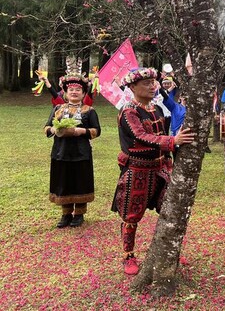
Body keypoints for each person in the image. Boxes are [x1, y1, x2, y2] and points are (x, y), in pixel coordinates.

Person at [112, 67, 195, 275]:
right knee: (131, 215)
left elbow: (162, 132)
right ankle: (128, 255)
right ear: (132, 87)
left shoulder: (156, 108)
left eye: (153, 83)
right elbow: (140, 136)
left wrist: (170, 154)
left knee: (170, 210)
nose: (152, 86)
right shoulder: (129, 111)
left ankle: (168, 250)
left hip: (161, 169)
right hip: (138, 171)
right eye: (146, 83)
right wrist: (172, 141)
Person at [44, 67, 101, 228]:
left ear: (83, 93)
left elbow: (97, 131)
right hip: (60, 152)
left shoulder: (89, 111)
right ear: (65, 92)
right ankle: (66, 213)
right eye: (71, 89)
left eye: (78, 90)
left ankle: (79, 213)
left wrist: (81, 131)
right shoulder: (58, 109)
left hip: (81, 152)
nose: (74, 92)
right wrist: (55, 130)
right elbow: (46, 128)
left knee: (80, 181)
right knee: (64, 181)